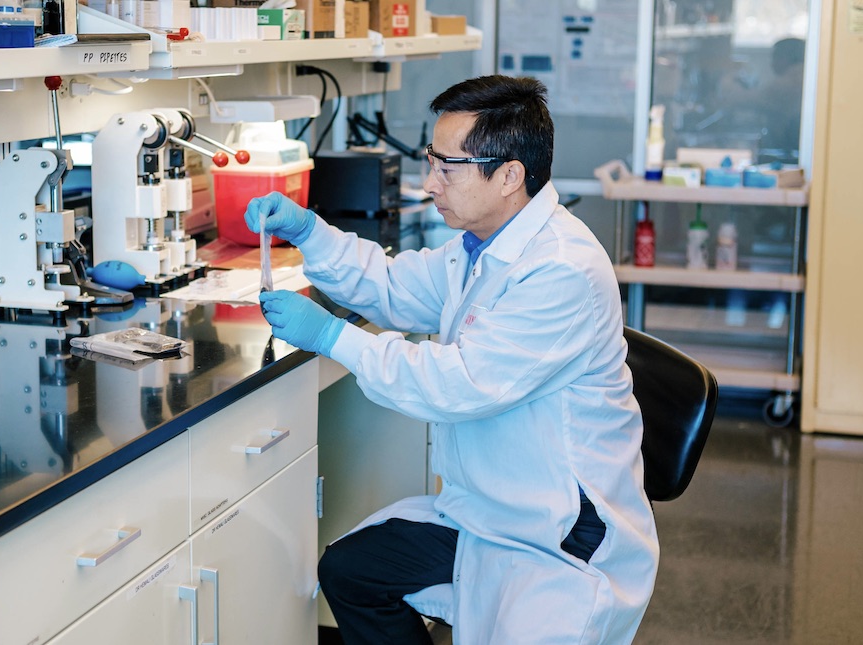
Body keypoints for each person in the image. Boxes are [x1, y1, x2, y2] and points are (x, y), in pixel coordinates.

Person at [244, 75, 658, 644]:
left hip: (556, 532)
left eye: (447, 166)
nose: (428, 182)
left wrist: (334, 337)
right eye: (430, 161)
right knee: (352, 572)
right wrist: (311, 234)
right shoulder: (483, 244)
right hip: (487, 509)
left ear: (510, 175)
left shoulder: (560, 269)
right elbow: (391, 286)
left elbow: (461, 385)